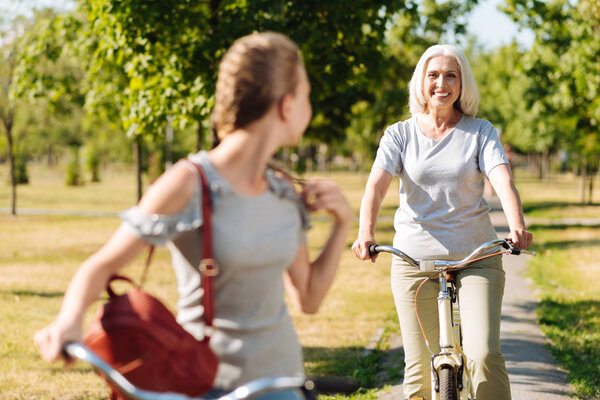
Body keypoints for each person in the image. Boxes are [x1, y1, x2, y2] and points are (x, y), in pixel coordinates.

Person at [35, 32, 353, 399]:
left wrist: (342, 224)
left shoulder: (282, 189)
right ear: (286, 105)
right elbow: (101, 266)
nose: (310, 109)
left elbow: (309, 299)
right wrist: (68, 321)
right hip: (206, 387)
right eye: (307, 97)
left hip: (281, 386)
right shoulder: (189, 183)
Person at [351, 44, 532, 400]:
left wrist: (517, 225)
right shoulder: (399, 135)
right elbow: (376, 185)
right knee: (418, 369)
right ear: (421, 81)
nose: (441, 83)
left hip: (476, 256)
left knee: (482, 354)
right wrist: (365, 234)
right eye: (433, 75)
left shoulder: (481, 131)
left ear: (463, 84)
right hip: (413, 262)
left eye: (451, 75)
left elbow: (501, 179)